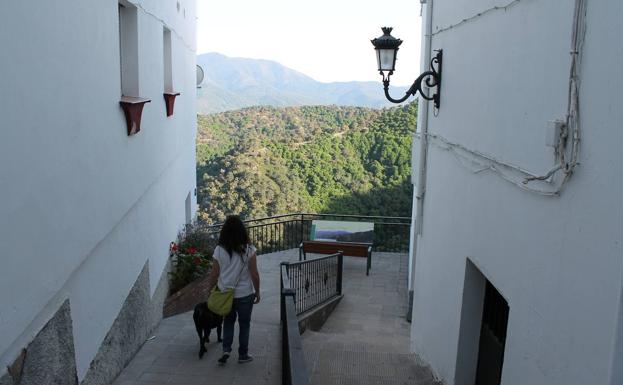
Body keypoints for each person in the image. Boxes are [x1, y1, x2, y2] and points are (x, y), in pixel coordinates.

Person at [207, 215, 260, 364]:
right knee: (244, 324)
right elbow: (254, 274)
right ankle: (243, 355)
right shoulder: (250, 250)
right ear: (242, 231)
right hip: (245, 294)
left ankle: (226, 350)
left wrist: (210, 290)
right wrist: (258, 291)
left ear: (225, 232)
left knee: (228, 322)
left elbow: (214, 274)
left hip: (225, 293)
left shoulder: (219, 250)